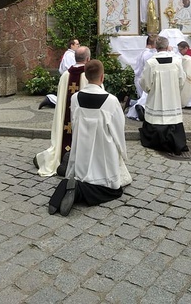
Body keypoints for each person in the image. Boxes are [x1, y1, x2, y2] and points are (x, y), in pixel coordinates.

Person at [48, 59, 132, 216]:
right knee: (113, 190)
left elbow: (74, 123)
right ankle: (77, 190)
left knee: (78, 176)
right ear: (102, 77)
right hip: (103, 154)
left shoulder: (75, 98)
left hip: (81, 153)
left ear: (86, 77)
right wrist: (122, 152)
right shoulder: (111, 101)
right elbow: (118, 129)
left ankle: (61, 191)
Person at [34, 46, 91, 177]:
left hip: (65, 121)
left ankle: (61, 157)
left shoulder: (66, 75)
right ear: (88, 59)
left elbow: (60, 102)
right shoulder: (88, 76)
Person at [139, 36, 189, 155]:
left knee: (156, 117)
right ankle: (176, 140)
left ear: (156, 48)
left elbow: (145, 83)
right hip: (173, 99)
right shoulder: (177, 61)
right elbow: (182, 80)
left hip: (156, 100)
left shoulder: (151, 63)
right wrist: (175, 89)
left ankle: (156, 141)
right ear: (167, 47)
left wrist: (150, 90)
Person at [38, 38, 80, 109]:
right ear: (71, 45)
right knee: (67, 101)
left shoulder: (71, 54)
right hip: (69, 79)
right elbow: (72, 68)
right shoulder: (70, 55)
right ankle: (50, 99)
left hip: (68, 78)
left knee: (68, 99)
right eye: (77, 44)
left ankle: (51, 99)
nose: (79, 45)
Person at [126, 35, 157, 122]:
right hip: (144, 79)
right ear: (153, 44)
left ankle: (131, 102)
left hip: (139, 78)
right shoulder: (149, 54)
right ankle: (137, 111)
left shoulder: (142, 52)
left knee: (144, 98)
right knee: (147, 99)